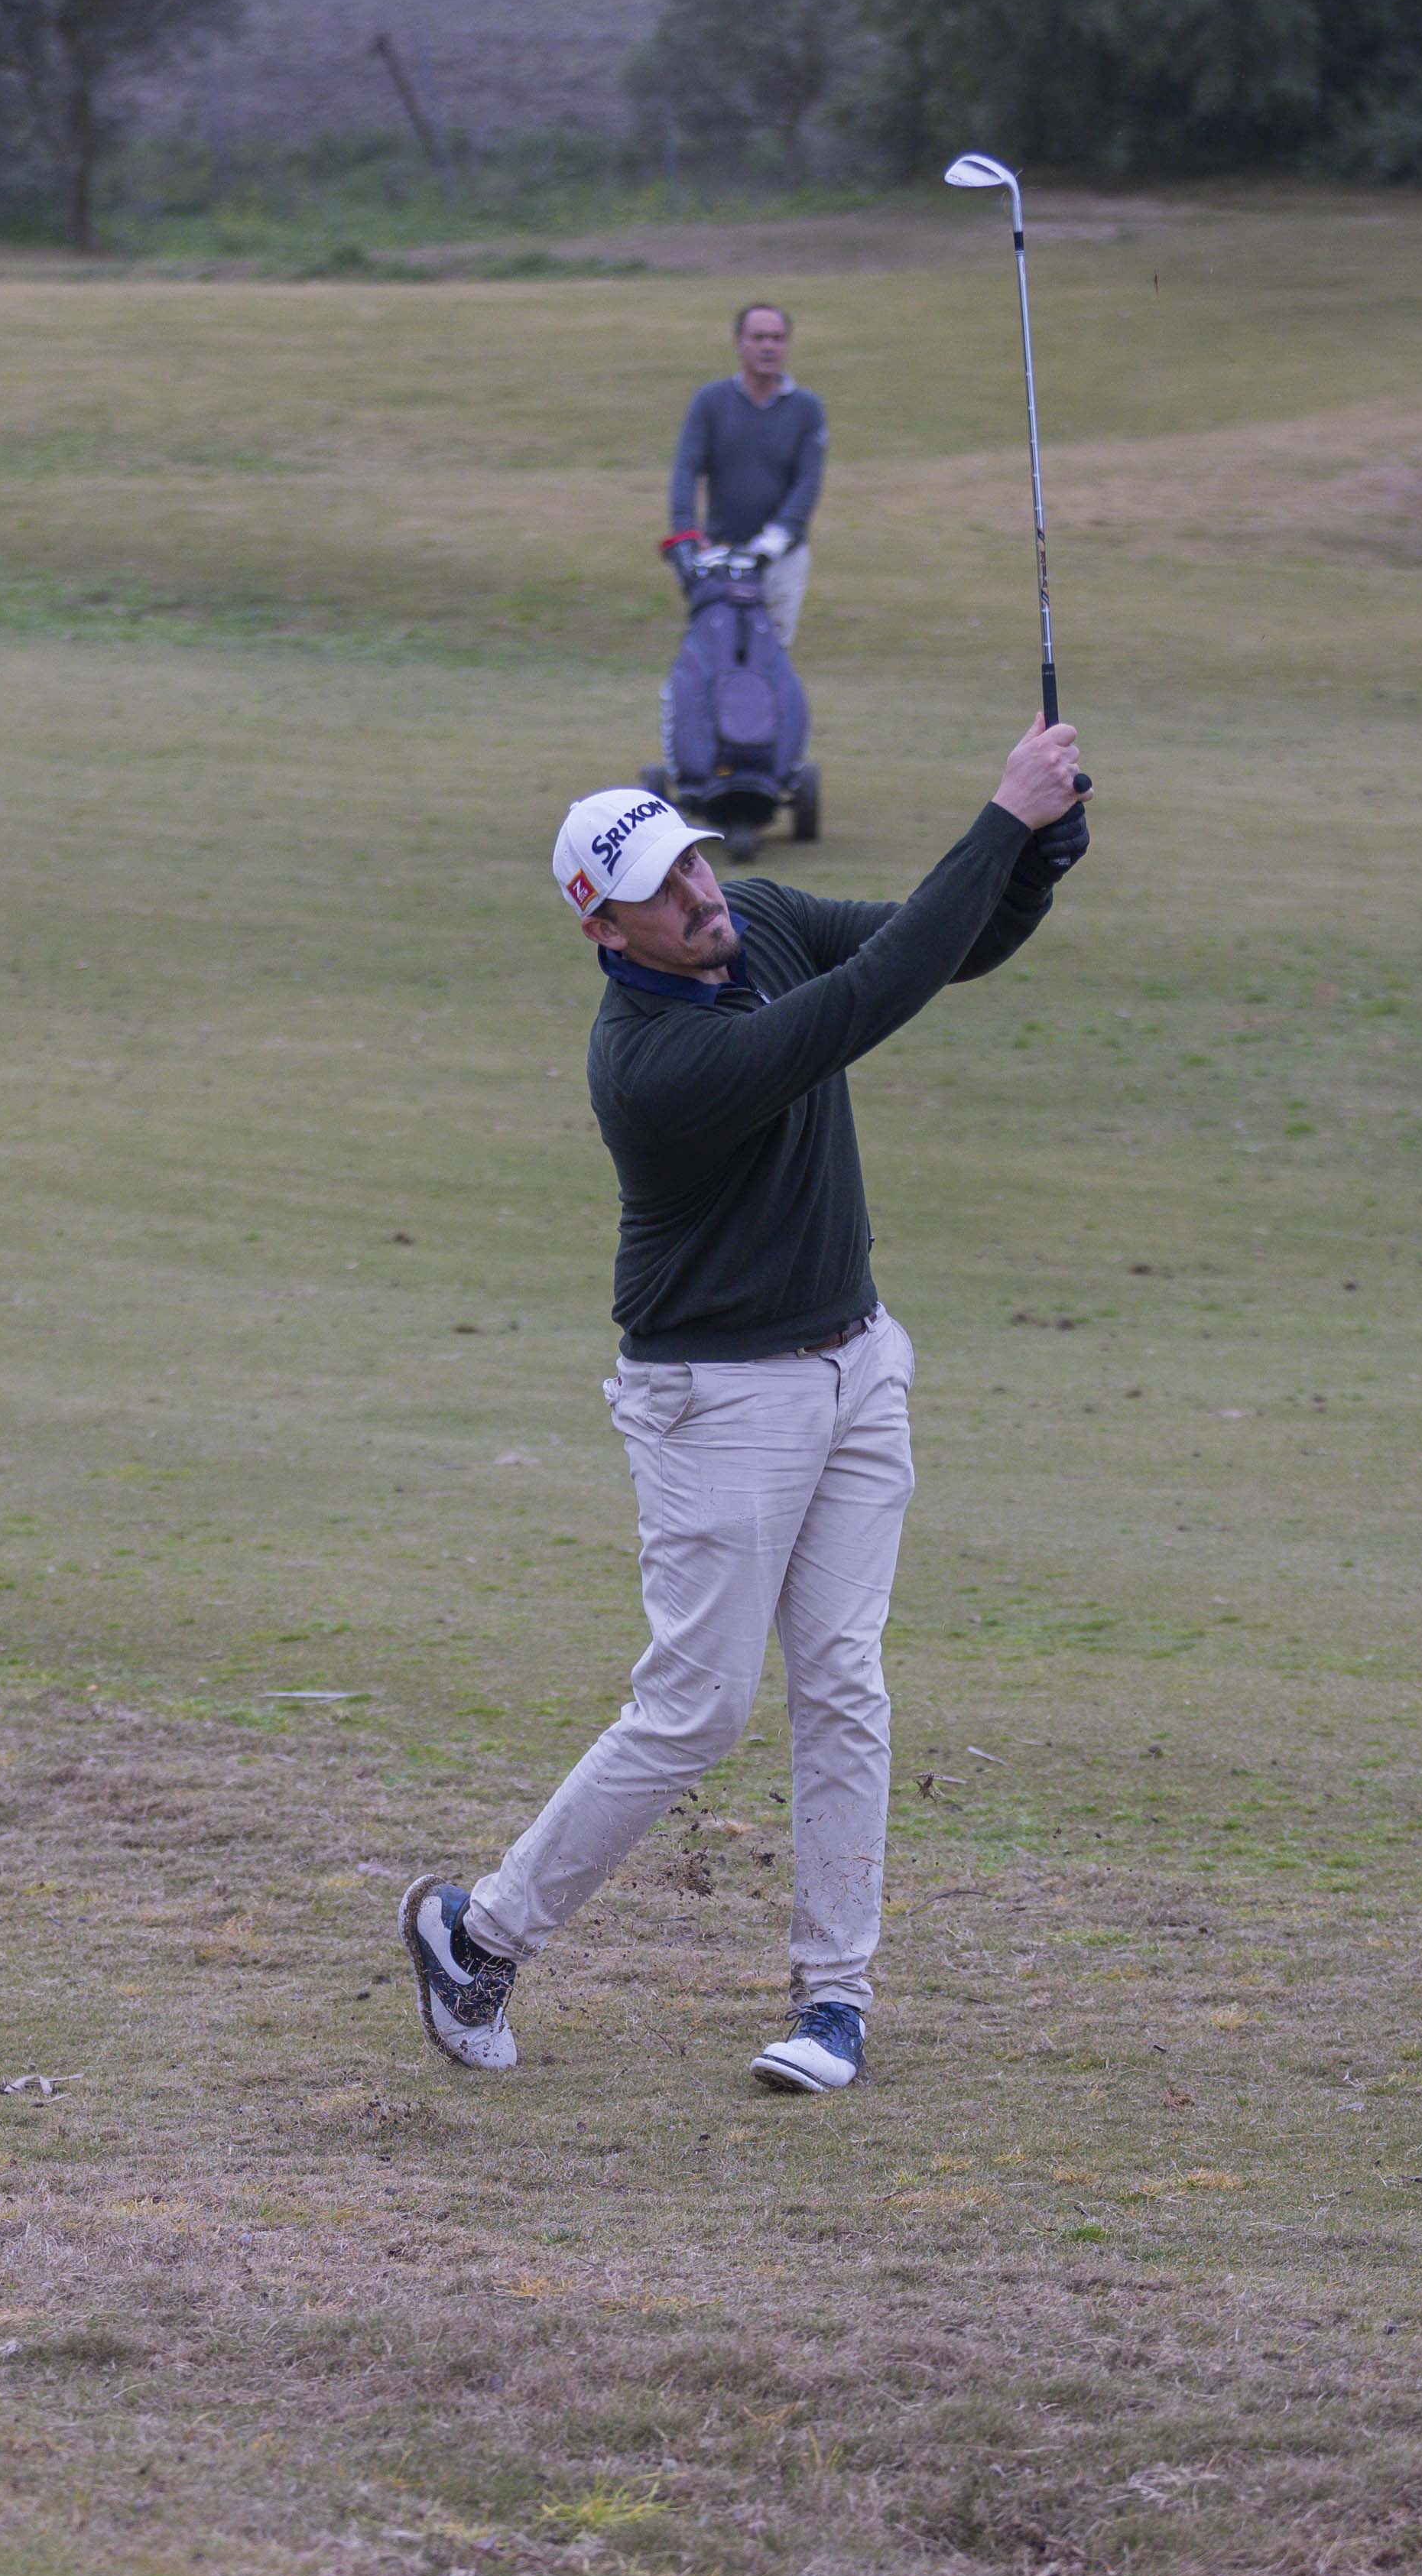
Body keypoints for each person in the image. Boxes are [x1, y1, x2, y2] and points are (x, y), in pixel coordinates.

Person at [402, 727, 1090, 2094]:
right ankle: (477, 1933)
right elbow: (865, 1004)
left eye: (696, 862)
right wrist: (996, 821)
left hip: (856, 1359)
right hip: (714, 1400)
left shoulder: (753, 917)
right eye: (664, 889)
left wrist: (1028, 869)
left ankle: (832, 2002)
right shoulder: (648, 1067)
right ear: (603, 927)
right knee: (696, 1707)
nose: (703, 895)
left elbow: (929, 942)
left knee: (845, 1682)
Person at [664, 302, 826, 642]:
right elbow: (686, 468)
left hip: (782, 558)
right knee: (716, 651)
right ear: (739, 343)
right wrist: (685, 533)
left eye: (778, 338)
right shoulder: (711, 401)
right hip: (722, 553)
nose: (769, 347)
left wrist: (778, 537)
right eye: (759, 337)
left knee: (772, 657)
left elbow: (808, 480)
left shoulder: (806, 409)